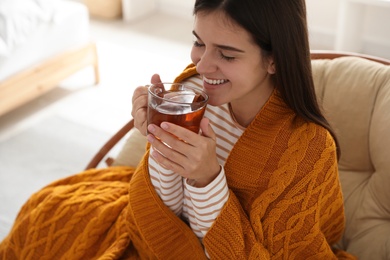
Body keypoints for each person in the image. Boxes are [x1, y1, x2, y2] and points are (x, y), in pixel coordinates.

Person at [0, 0, 356, 259]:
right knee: (46, 212)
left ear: (274, 58)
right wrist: (157, 144)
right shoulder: (192, 92)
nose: (201, 64)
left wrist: (206, 179)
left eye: (227, 55)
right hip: (155, 234)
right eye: (199, 41)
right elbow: (157, 212)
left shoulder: (307, 147)